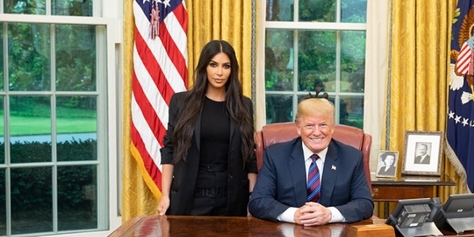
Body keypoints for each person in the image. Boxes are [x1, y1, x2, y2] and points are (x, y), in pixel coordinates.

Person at [157, 40, 257, 216]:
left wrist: (252, 198)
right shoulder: (181, 102)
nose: (219, 72)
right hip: (190, 196)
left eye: (226, 66)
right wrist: (165, 195)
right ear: (204, 67)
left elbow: (249, 155)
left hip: (232, 198)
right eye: (213, 65)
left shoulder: (244, 105)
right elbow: (170, 149)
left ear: (232, 70)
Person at [249, 97, 373, 226]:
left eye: (323, 125)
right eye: (309, 126)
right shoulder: (275, 155)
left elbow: (365, 204)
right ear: (298, 128)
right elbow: (258, 201)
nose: (317, 132)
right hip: (286, 235)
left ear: (332, 127)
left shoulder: (352, 158)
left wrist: (330, 214)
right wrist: (294, 215)